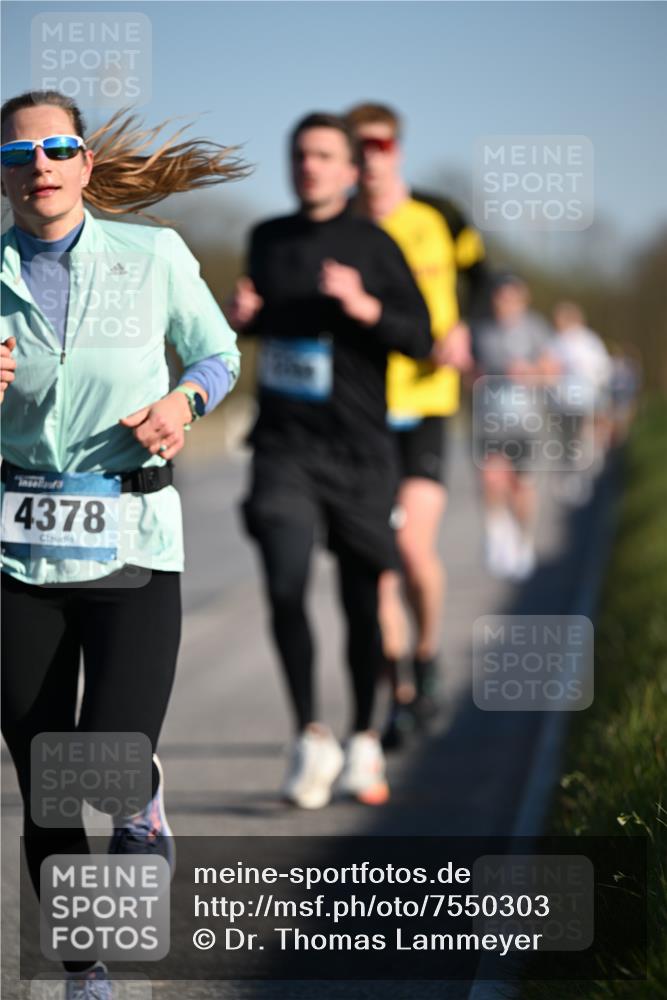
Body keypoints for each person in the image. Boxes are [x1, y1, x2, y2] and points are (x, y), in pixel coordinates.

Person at [0, 90, 244, 997]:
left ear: (85, 163)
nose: (39, 167)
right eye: (18, 155)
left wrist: (183, 405)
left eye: (57, 148)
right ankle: (86, 970)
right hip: (15, 554)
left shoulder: (154, 256)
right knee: (48, 784)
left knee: (101, 756)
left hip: (133, 541)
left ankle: (141, 801)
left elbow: (219, 352)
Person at [227, 112, 431, 810]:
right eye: (299, 155)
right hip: (284, 445)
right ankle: (310, 736)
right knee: (284, 580)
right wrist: (242, 319)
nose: (308, 166)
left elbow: (422, 337)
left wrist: (363, 305)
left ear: (349, 170)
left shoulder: (374, 245)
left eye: (322, 155)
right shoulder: (267, 239)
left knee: (358, 601)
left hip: (359, 450)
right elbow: (263, 329)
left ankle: (363, 737)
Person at [345, 102, 487, 746]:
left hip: (427, 401)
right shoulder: (338, 223)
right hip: (363, 407)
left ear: (396, 147)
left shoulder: (440, 215)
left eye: (379, 144)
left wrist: (463, 327)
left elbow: (480, 280)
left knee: (410, 546)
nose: (369, 156)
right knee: (375, 556)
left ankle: (427, 655)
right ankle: (398, 689)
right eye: (357, 146)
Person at [472, 272, 557, 581]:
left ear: (523, 299)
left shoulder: (536, 329)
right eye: (500, 297)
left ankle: (522, 541)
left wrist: (529, 372)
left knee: (521, 487)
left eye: (512, 298)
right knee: (491, 480)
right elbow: (470, 373)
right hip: (490, 419)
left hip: (526, 420)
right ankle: (496, 534)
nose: (505, 303)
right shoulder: (480, 330)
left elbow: (551, 373)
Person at [550, 301, 612, 504]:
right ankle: (573, 478)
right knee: (569, 441)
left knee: (580, 439)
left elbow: (602, 370)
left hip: (582, 400)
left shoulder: (587, 342)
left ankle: (581, 476)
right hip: (564, 401)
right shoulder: (557, 341)